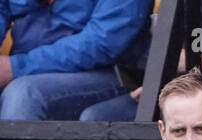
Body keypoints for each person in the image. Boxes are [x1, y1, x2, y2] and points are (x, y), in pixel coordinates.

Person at [0, 0, 149, 120]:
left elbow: (102, 44)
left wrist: (16, 67)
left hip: (109, 73)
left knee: (25, 94)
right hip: (22, 69)